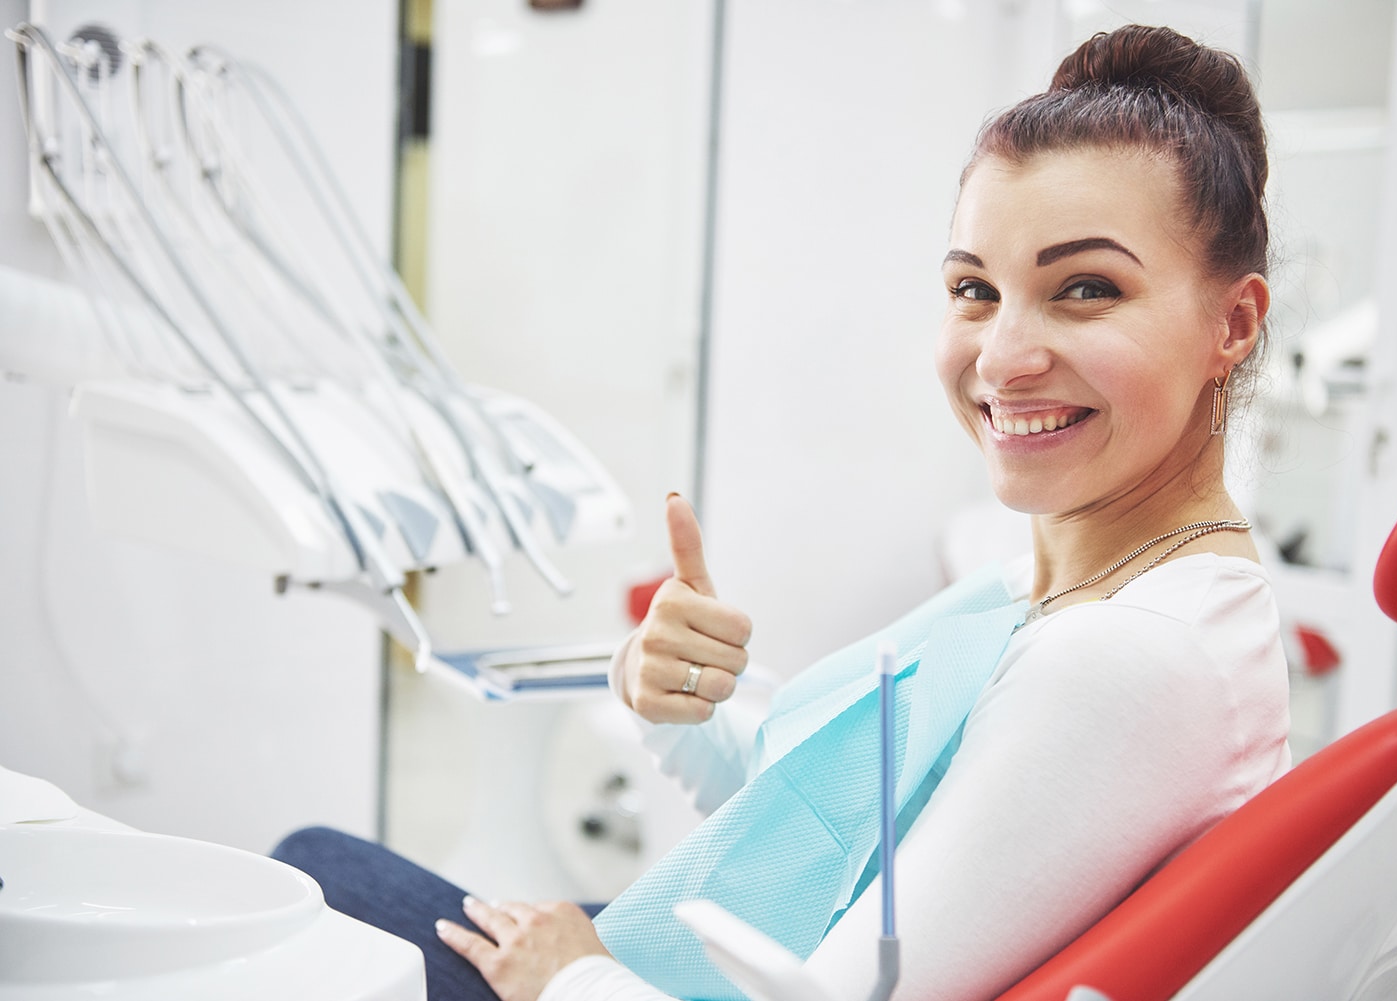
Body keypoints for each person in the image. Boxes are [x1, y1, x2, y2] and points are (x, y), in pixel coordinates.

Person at [273, 23, 1291, 1001]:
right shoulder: (1090, 591)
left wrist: (569, 974)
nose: (1001, 356)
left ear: (1232, 322)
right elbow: (838, 838)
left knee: (305, 879)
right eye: (974, 288)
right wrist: (674, 696)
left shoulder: (1126, 658)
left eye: (1084, 287)